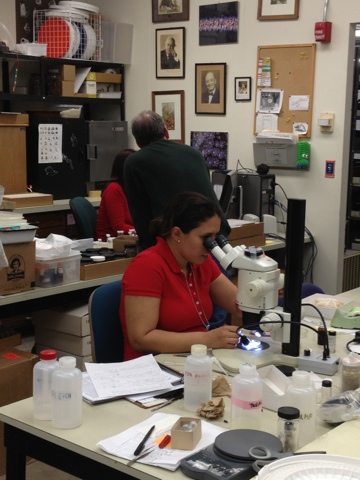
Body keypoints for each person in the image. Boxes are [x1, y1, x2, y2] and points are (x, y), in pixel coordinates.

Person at [120, 191, 241, 361]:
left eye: (215, 238)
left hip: (192, 358)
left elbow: (238, 305)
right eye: (206, 238)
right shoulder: (147, 266)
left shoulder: (200, 261)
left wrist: (261, 283)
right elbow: (141, 339)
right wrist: (207, 339)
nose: (211, 246)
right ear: (177, 234)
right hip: (153, 368)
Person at [124, 110, 230, 251]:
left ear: (137, 141)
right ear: (165, 132)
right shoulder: (194, 153)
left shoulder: (134, 162)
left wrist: (147, 248)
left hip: (177, 242)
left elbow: (140, 214)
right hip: (217, 234)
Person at [95, 149, 135, 241]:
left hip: (127, 239)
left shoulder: (128, 188)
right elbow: (118, 227)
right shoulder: (113, 189)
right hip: (110, 243)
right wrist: (143, 230)